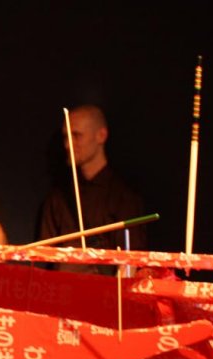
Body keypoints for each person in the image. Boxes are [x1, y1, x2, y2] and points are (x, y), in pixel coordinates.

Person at [36, 105, 146, 255]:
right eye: (66, 137)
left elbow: (130, 259)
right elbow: (42, 255)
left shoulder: (124, 197)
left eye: (76, 135)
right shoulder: (57, 198)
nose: (68, 145)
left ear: (101, 135)